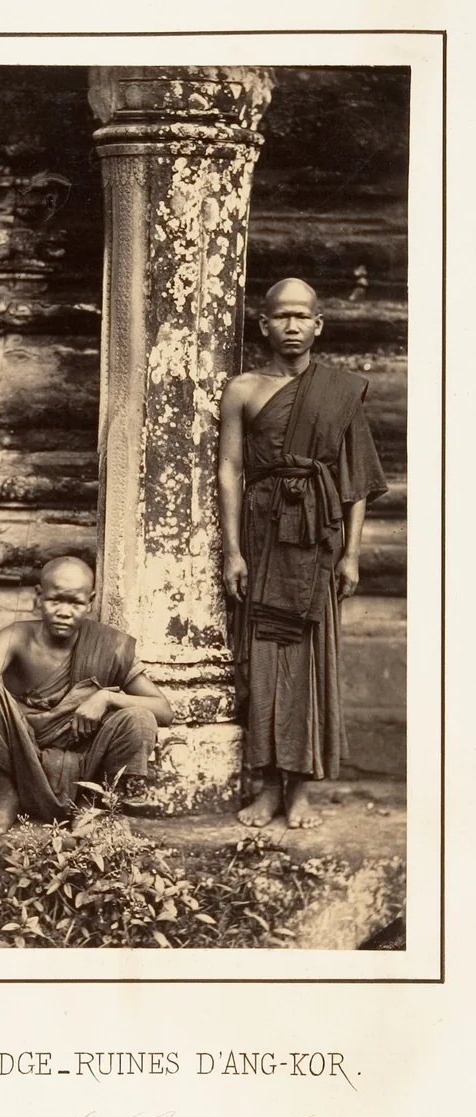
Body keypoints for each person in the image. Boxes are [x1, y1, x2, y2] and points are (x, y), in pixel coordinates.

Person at [217, 278, 387, 829]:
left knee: (312, 662)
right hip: (265, 536)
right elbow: (230, 471)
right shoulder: (243, 389)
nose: (292, 326)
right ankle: (267, 786)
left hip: (317, 539)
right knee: (265, 659)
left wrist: (351, 554)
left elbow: (354, 480)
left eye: (302, 316)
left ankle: (302, 790)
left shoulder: (339, 392)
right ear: (263, 324)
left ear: (319, 324)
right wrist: (232, 552)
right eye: (280, 316)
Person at [0, 556, 173, 834]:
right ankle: (9, 798)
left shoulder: (111, 646)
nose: (64, 611)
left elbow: (164, 711)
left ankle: (90, 802)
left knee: (139, 718)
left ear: (91, 602)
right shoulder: (17, 637)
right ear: (38, 596)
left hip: (84, 756)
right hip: (26, 751)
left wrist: (107, 698)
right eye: (55, 600)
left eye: (76, 603)